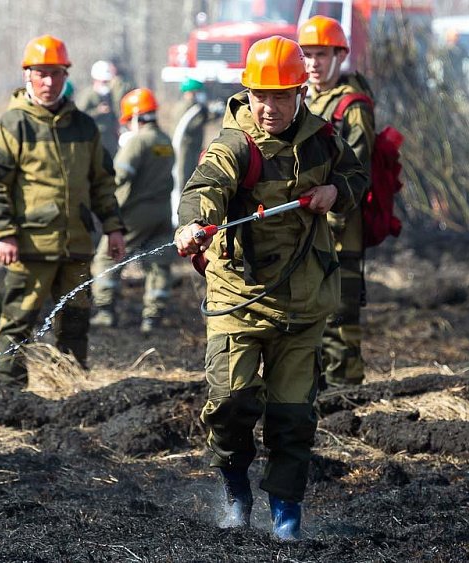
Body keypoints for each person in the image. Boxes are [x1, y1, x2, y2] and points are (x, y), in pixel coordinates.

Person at [174, 36, 368, 540]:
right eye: (261, 95)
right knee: (231, 400)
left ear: (299, 93)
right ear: (248, 92)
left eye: (281, 96)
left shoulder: (323, 138)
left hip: (304, 303)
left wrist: (334, 191)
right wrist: (193, 226)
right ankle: (235, 485)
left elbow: (356, 176)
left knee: (293, 414)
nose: (269, 107)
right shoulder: (234, 144)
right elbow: (204, 189)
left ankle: (286, 513)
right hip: (238, 297)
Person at [0, 35, 126, 390]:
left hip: (76, 244)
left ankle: (72, 392)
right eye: (41, 74)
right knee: (18, 322)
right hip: (28, 246)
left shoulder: (84, 127)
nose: (48, 82)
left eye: (56, 74)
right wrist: (4, 234)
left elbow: (102, 183)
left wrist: (113, 228)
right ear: (27, 76)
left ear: (66, 76)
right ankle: (7, 397)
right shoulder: (12, 126)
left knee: (76, 323)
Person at [299, 15, 376, 388]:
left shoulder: (352, 106)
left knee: (340, 319)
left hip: (341, 231)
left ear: (340, 55)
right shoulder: (305, 99)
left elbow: (357, 173)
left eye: (322, 54)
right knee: (309, 314)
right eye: (307, 54)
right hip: (306, 230)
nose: (314, 63)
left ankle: (348, 395)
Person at [91, 88, 175, 334]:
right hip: (162, 212)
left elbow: (118, 175)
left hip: (136, 213)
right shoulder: (164, 141)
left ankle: (105, 311)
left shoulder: (138, 141)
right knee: (158, 263)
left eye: (128, 122)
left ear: (136, 118)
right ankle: (153, 317)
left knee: (107, 255)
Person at [171, 78, 212, 226]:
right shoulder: (187, 107)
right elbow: (194, 123)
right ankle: (178, 213)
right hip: (184, 149)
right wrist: (207, 111)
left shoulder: (194, 106)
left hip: (193, 148)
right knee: (183, 177)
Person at [79, 59, 133, 157]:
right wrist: (97, 111)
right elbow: (80, 116)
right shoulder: (88, 95)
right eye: (104, 81)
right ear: (96, 80)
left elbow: (114, 112)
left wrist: (117, 125)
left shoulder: (110, 95)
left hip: (110, 137)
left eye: (107, 81)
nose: (106, 84)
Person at [442, 28, 469, 97]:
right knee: (447, 93)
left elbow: (468, 60)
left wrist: (466, 71)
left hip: (458, 75)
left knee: (458, 92)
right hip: (447, 76)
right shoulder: (444, 49)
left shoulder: (460, 48)